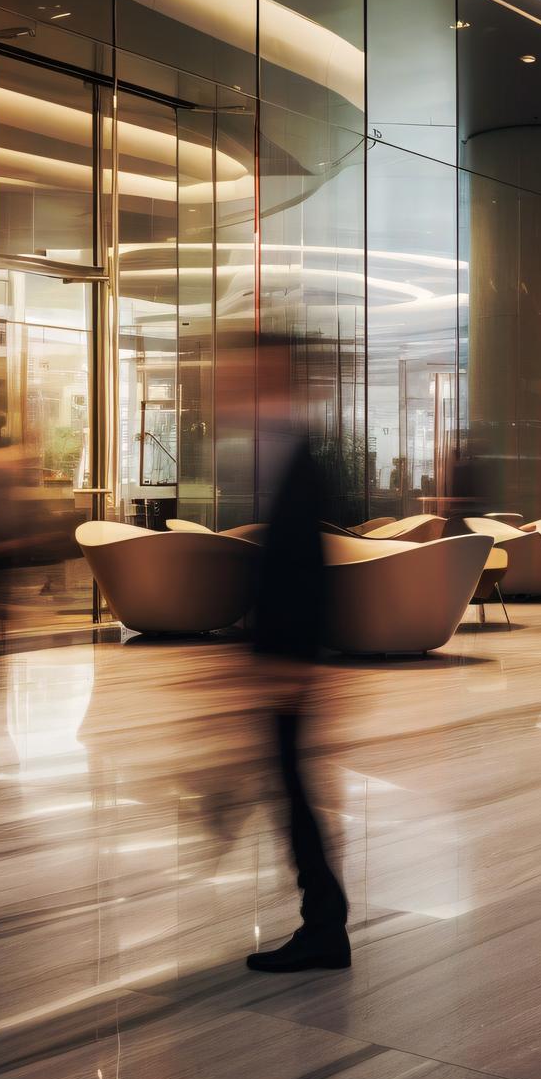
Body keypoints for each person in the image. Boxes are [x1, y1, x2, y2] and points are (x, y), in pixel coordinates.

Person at [246, 332, 349, 973]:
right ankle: (323, 919)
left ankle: (325, 923)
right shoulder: (281, 451)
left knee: (292, 785)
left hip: (290, 658)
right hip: (282, 656)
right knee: (288, 783)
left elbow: (305, 568)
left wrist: (293, 662)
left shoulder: (301, 460)